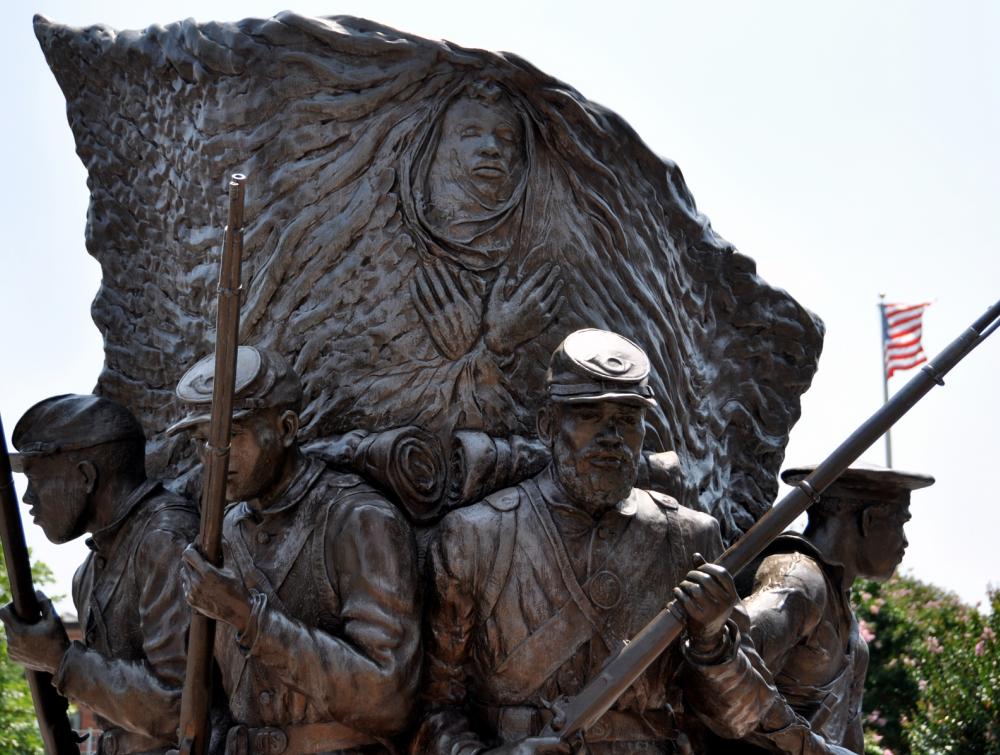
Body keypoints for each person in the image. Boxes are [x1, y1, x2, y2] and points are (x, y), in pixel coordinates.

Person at [411, 328, 799, 755]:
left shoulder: (689, 537)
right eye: (590, 415)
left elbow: (737, 720)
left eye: (628, 419)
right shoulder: (475, 538)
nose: (611, 436)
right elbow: (434, 712)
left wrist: (711, 642)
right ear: (547, 425)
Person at [168, 345, 421, 754]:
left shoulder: (358, 519)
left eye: (231, 435)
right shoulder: (222, 530)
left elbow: (388, 698)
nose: (214, 457)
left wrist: (247, 616)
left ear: (286, 428)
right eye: (202, 441)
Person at [0, 394, 198, 754]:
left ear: (85, 476)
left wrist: (60, 660)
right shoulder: (88, 574)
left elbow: (180, 709)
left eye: (36, 479)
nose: (29, 497)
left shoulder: (164, 539)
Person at [737, 463, 932, 754]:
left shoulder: (850, 631)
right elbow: (724, 670)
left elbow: (850, 744)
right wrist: (803, 742)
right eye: (900, 522)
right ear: (868, 520)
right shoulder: (799, 582)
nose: (905, 541)